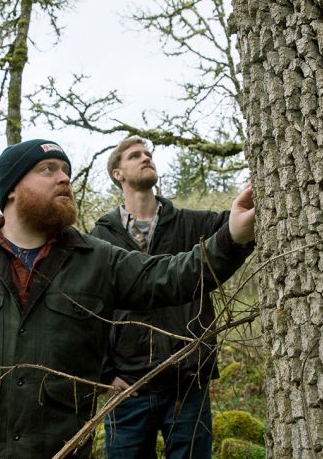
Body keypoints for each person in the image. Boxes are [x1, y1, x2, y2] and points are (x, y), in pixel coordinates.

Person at [0, 138, 255, 459]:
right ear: (12, 189)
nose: (64, 178)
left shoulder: (96, 258)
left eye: (65, 170)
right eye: (48, 169)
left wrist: (231, 237)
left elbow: (171, 277)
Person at [91, 137, 232, 458]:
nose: (146, 158)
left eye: (148, 154)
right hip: (127, 389)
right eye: (135, 155)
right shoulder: (99, 239)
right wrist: (105, 374)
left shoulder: (192, 225)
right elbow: (88, 311)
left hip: (187, 383)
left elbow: (238, 226)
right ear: (118, 174)